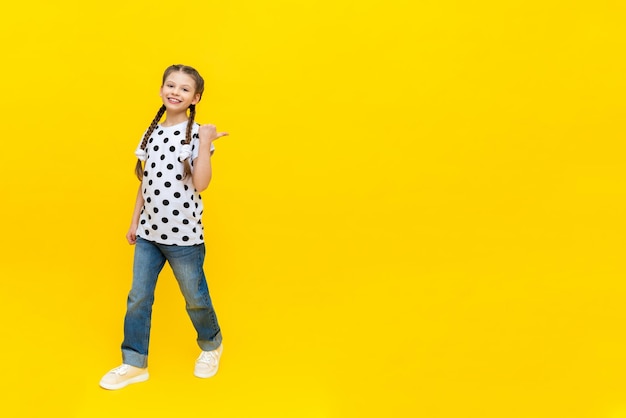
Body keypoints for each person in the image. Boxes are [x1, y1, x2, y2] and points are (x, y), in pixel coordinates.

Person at [100, 64, 228, 390]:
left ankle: (212, 346)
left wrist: (205, 141)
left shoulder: (197, 133)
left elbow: (200, 183)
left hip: (183, 237)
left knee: (195, 297)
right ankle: (133, 363)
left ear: (195, 97)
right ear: (161, 90)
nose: (175, 92)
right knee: (138, 298)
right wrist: (134, 222)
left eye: (184, 89)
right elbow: (146, 183)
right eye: (170, 85)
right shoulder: (152, 133)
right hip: (148, 234)